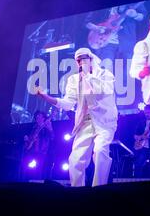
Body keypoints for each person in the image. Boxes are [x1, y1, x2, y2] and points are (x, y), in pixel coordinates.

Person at [35, 48, 118, 187]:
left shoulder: (105, 75)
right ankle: (77, 192)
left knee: (100, 151)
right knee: (75, 159)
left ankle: (100, 189)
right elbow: (68, 103)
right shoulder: (73, 80)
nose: (81, 62)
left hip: (104, 121)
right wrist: (46, 97)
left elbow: (101, 92)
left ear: (91, 59)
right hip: (84, 123)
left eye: (84, 58)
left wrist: (88, 76)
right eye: (78, 60)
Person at [85, 2, 147, 71]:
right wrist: (96, 28)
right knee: (105, 70)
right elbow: (85, 21)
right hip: (106, 43)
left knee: (127, 72)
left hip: (126, 40)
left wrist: (135, 15)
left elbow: (143, 16)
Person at [23, 110, 55, 180]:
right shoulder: (34, 128)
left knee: (39, 172)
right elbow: (31, 140)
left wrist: (50, 129)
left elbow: (52, 138)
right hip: (32, 152)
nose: (37, 118)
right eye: (36, 116)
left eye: (39, 116)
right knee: (29, 171)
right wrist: (27, 139)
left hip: (42, 152)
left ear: (43, 118)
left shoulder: (46, 127)